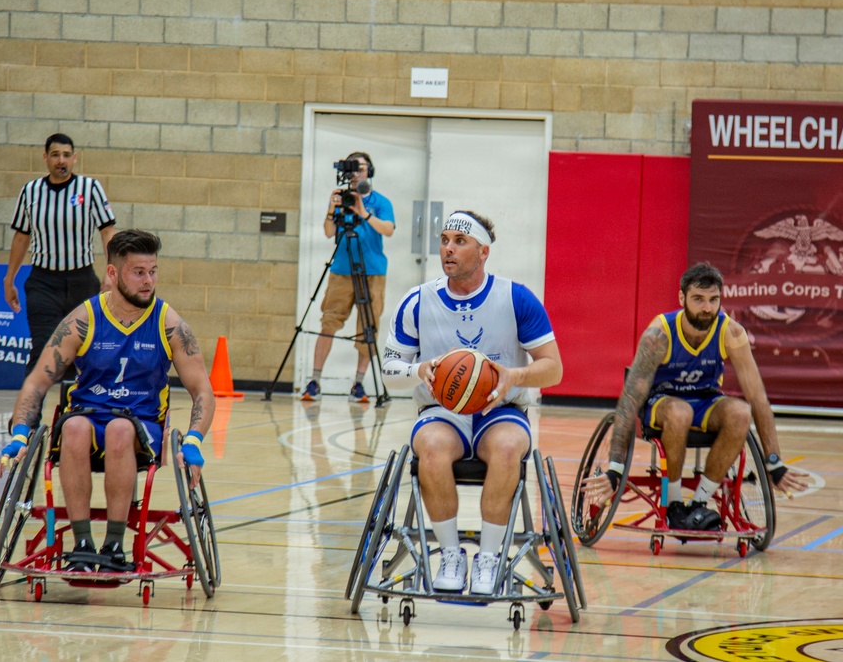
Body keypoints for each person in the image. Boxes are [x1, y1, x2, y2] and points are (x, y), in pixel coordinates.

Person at [0, 229, 215, 572]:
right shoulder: (83, 319)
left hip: (140, 424)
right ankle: (82, 543)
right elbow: (38, 380)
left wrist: (193, 439)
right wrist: (21, 432)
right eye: (138, 272)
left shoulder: (168, 322)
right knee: (74, 428)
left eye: (153, 271)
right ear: (112, 274)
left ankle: (114, 545)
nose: (148, 281)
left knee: (118, 429)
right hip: (88, 414)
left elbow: (202, 389)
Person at [380, 210, 562, 595]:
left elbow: (553, 369)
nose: (448, 248)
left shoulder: (516, 297)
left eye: (459, 242)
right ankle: (450, 553)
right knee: (428, 448)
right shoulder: (417, 300)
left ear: (483, 252)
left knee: (510, 447)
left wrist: (516, 375)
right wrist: (419, 370)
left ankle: (489, 556)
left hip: (501, 410)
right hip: (442, 412)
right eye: (445, 240)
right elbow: (388, 370)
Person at [582, 262, 810, 531]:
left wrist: (774, 461)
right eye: (699, 299)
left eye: (713, 300)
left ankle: (699, 503)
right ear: (682, 298)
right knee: (680, 412)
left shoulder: (731, 332)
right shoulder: (660, 333)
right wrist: (615, 468)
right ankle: (674, 504)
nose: (707, 308)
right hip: (661, 403)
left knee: (740, 412)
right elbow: (629, 400)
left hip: (705, 400)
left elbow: (758, 398)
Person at [5, 132, 117, 377]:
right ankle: (27, 416)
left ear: (74, 159)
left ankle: (77, 414)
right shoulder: (31, 191)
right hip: (43, 283)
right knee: (43, 351)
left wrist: (111, 274)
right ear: (45, 158)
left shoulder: (90, 188)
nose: (61, 160)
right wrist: (9, 278)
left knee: (84, 353)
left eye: (66, 155)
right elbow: (22, 237)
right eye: (55, 155)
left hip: (81, 282)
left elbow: (108, 231)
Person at [301, 151, 395, 404]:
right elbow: (329, 231)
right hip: (341, 269)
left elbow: (388, 230)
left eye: (361, 168)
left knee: (368, 329)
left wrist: (363, 211)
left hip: (373, 271)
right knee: (328, 322)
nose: (356, 173)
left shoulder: (380, 202)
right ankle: (315, 381)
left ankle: (359, 384)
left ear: (369, 172)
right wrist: (332, 209)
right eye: (352, 168)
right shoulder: (340, 199)